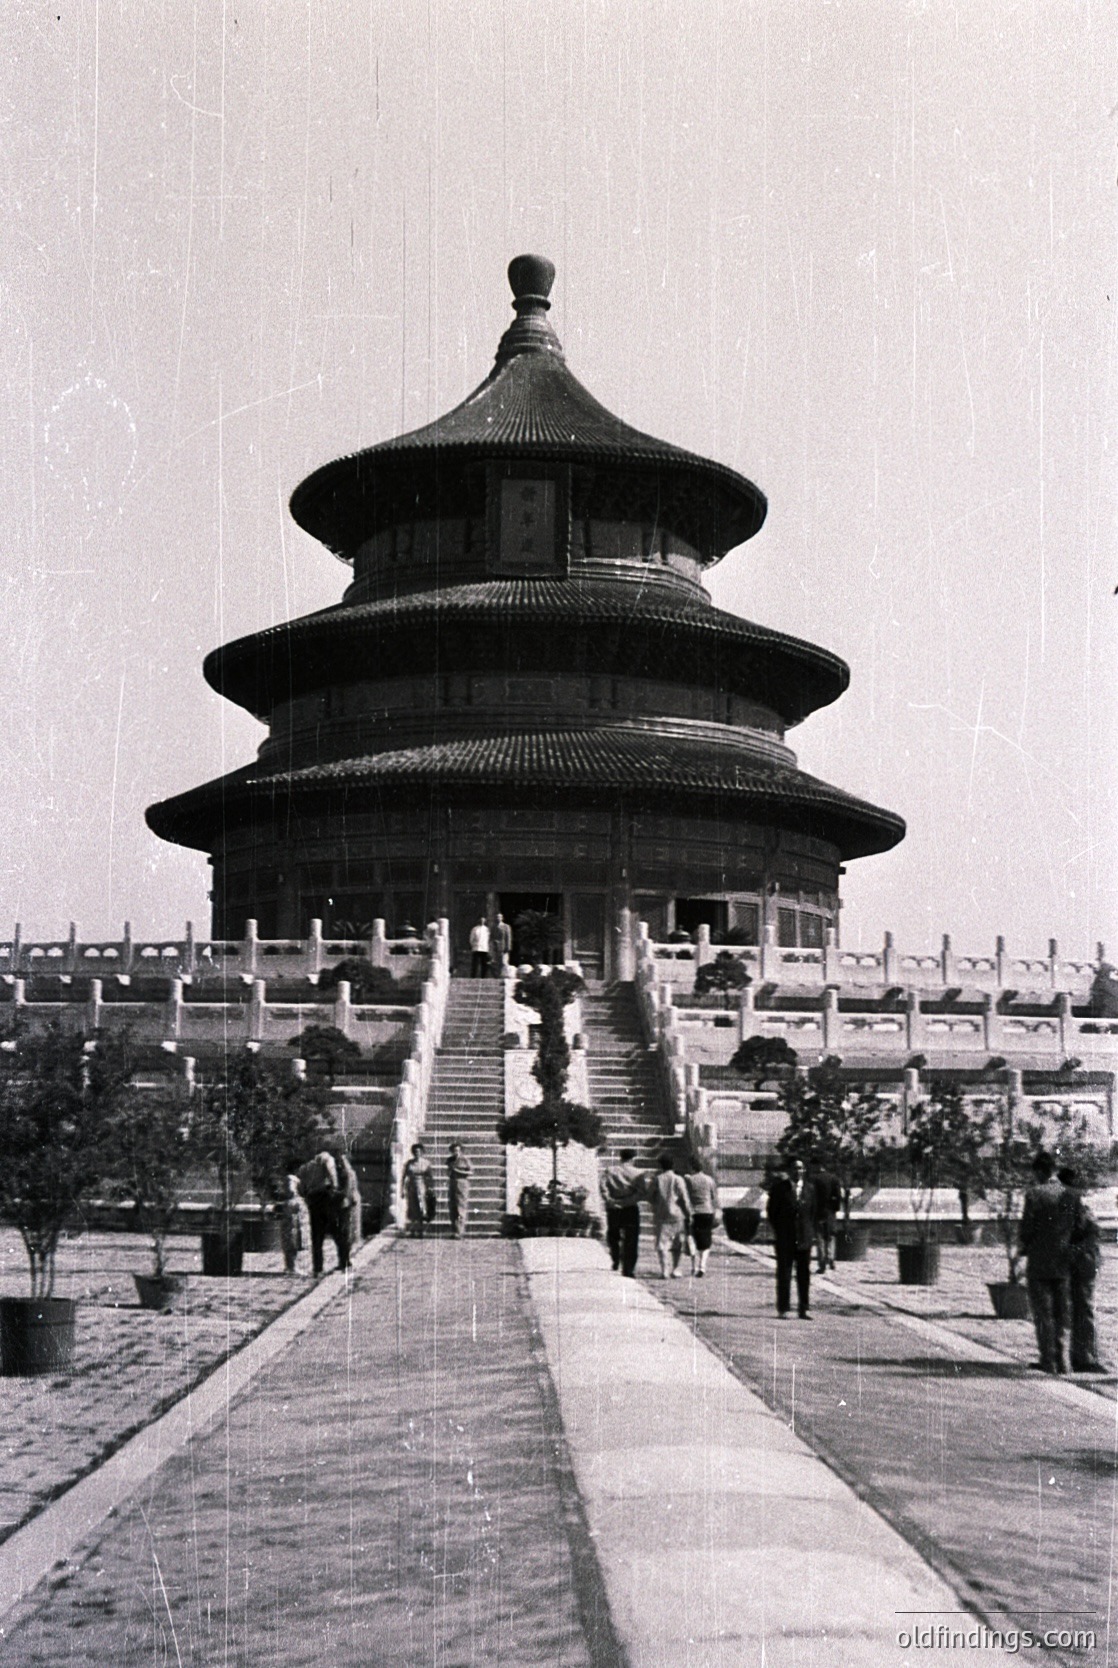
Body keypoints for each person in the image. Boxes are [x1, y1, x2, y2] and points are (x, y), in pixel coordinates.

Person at [1018, 1149, 1078, 1374]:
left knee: (1043, 1312)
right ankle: (1063, 1361)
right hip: (1063, 1262)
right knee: (1063, 1311)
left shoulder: (1034, 1194)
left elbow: (1026, 1229)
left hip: (1040, 1262)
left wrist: (1024, 1246)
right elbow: (1079, 1227)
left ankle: (1048, 1359)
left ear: (1039, 1171)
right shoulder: (1071, 1194)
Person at [1059, 1164, 1106, 1373]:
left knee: (1082, 1309)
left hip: (1082, 1263)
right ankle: (1080, 1358)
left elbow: (1093, 1233)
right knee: (1077, 1310)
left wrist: (1073, 1250)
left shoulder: (1077, 1205)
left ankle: (1084, 1357)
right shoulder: (1069, 1205)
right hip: (1076, 1263)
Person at [766, 1158, 817, 1319]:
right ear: (789, 1171)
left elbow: (814, 1214)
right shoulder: (779, 1189)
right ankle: (784, 1308)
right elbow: (772, 1213)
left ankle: (804, 1308)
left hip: (804, 1239)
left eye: (801, 1168)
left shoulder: (811, 1189)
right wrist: (780, 1231)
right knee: (784, 1274)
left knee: (804, 1275)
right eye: (795, 1168)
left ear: (804, 1171)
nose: (798, 1171)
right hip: (785, 1239)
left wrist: (810, 1233)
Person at [600, 1148, 646, 1277]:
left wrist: (609, 1200)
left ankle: (615, 1257)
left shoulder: (610, 1171)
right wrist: (627, 1201)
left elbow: (603, 1187)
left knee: (613, 1234)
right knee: (631, 1239)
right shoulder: (638, 1173)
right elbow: (641, 1192)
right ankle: (628, 1268)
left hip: (613, 1207)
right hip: (630, 1207)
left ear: (621, 1157)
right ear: (633, 1158)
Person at [297, 1148, 340, 1277]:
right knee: (335, 1230)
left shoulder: (306, 1167)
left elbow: (300, 1185)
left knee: (316, 1236)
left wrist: (305, 1195)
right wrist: (334, 1188)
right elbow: (332, 1176)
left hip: (312, 1199)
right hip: (324, 1197)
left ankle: (317, 1267)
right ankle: (343, 1261)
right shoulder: (327, 1160)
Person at [649, 1152, 691, 1279]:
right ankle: (676, 1268)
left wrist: (656, 1205)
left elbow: (650, 1196)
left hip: (662, 1215)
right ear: (673, 1165)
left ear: (660, 1165)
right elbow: (684, 1198)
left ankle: (664, 1270)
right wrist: (689, 1213)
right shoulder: (678, 1179)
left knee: (662, 1244)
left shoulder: (657, 1179)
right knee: (677, 1243)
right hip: (677, 1214)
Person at [685, 1163, 719, 1277]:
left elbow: (686, 1196)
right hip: (707, 1211)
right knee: (706, 1240)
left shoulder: (689, 1180)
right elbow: (714, 1197)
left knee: (692, 1237)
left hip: (694, 1212)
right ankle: (702, 1266)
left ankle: (693, 1266)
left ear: (692, 1168)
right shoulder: (709, 1180)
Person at [333, 1147, 362, 1270]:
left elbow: (348, 1190)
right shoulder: (340, 1172)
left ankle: (345, 1261)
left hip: (347, 1204)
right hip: (343, 1203)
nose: (340, 1162)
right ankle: (343, 1260)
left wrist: (342, 1196)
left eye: (343, 1159)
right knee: (341, 1233)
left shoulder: (348, 1174)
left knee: (345, 1233)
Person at [402, 1142, 435, 1236]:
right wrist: (402, 1190)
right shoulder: (409, 1163)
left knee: (421, 1207)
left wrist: (430, 1188)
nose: (417, 1153)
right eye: (415, 1152)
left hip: (422, 1185)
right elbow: (404, 1177)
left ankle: (421, 1230)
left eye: (419, 1151)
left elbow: (430, 1177)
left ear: (422, 1152)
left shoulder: (426, 1163)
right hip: (411, 1186)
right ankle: (413, 1229)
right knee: (412, 1207)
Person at [813, 1167, 842, 1271]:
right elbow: (838, 1196)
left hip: (818, 1212)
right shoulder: (834, 1179)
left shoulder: (814, 1179)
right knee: (830, 1236)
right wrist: (835, 1209)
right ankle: (831, 1258)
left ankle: (822, 1263)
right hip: (830, 1212)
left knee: (820, 1237)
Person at [277, 1172, 304, 1276]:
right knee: (290, 1246)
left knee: (293, 1245)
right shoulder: (290, 1200)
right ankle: (291, 1267)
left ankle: (291, 1266)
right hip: (290, 1225)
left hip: (293, 1225)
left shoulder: (292, 1199)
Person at [447, 1142, 473, 1238]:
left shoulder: (465, 1160)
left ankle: (460, 1231)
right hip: (452, 1183)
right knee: (452, 1207)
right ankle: (454, 1231)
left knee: (460, 1207)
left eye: (457, 1150)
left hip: (462, 1183)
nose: (455, 1152)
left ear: (460, 1150)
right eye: (453, 1150)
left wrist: (458, 1171)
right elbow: (448, 1172)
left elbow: (470, 1172)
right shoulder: (450, 1160)